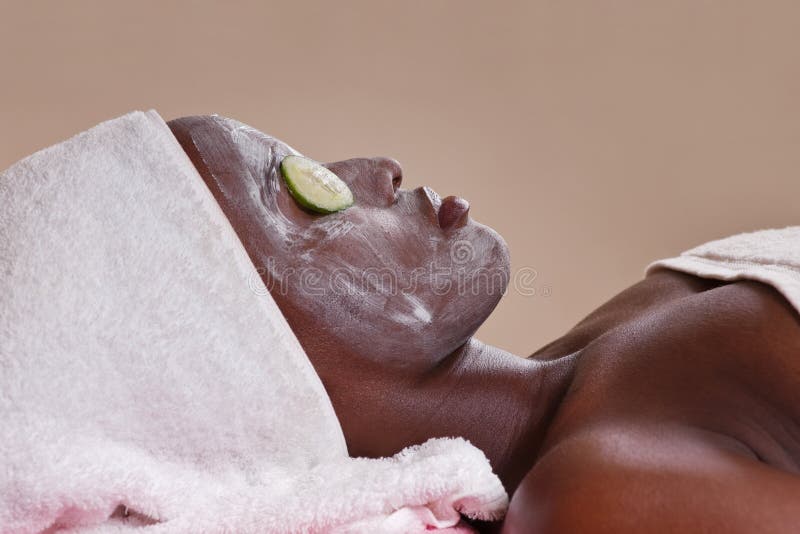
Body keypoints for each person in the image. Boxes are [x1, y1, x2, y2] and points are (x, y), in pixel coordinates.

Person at [169, 115, 800, 533]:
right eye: (303, 193)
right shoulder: (603, 501)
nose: (376, 170)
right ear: (243, 354)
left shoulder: (621, 330)